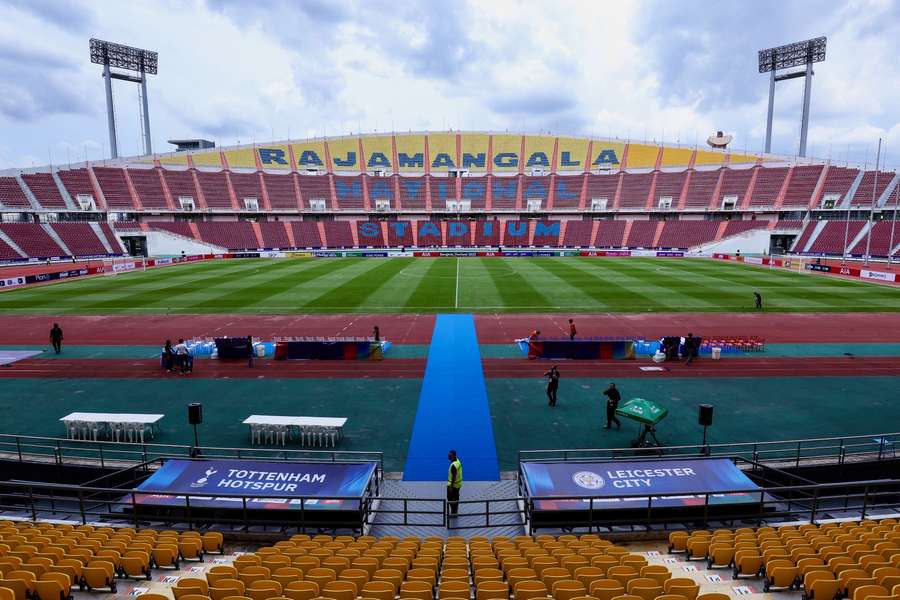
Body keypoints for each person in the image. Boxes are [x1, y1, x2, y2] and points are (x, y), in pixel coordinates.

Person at [447, 450, 463, 518]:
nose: (448, 456)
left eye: (450, 455)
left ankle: (453, 511)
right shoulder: (458, 462)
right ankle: (455, 511)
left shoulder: (453, 465)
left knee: (450, 498)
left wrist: (451, 486)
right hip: (458, 483)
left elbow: (454, 476)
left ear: (454, 456)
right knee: (456, 497)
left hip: (453, 484)